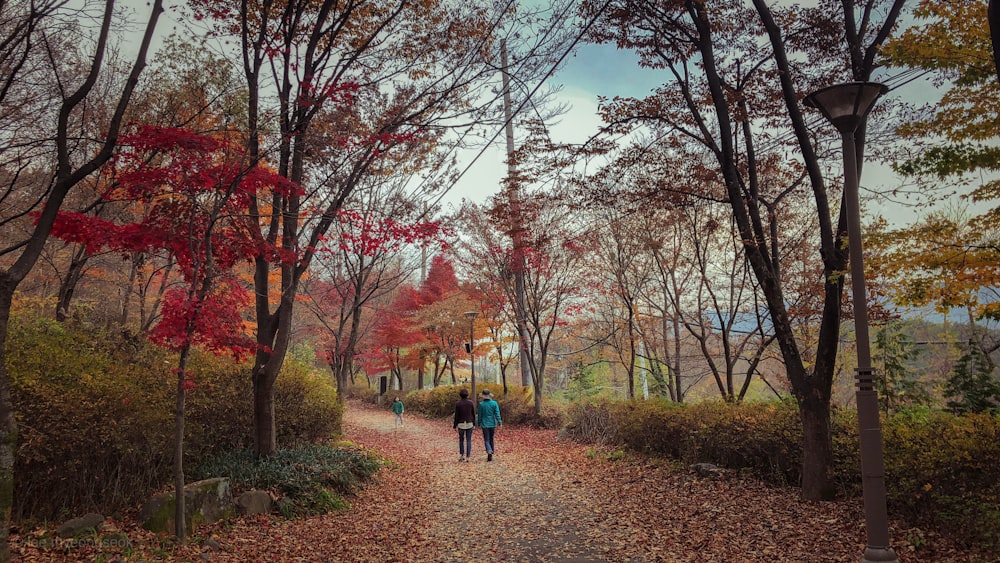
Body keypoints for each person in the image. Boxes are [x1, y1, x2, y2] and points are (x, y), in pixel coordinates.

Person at [476, 389, 502, 461]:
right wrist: (499, 422)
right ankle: (491, 451)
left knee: (486, 439)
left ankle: (489, 450)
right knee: (491, 438)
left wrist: (478, 423)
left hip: (484, 424)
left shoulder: (481, 405)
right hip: (492, 423)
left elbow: (480, 415)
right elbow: (497, 413)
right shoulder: (494, 403)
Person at [453, 388, 476, 462]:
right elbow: (473, 414)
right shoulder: (471, 403)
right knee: (468, 440)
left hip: (461, 423)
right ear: (467, 395)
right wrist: (474, 423)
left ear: (460, 395)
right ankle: (468, 457)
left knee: (461, 440)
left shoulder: (458, 404)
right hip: (469, 423)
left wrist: (455, 425)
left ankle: (462, 455)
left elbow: (456, 415)